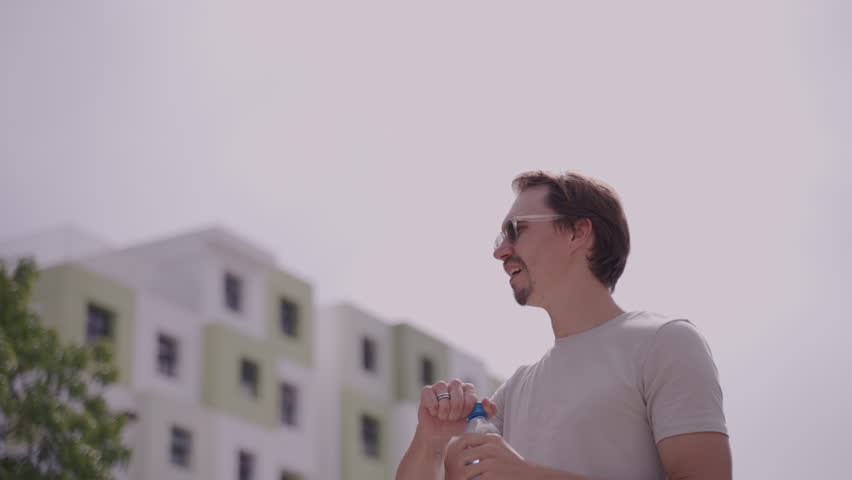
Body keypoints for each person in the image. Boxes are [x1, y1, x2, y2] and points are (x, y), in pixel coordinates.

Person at [396, 171, 731, 480]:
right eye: (500, 236)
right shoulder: (513, 393)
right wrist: (431, 442)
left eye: (517, 229)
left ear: (577, 232)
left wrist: (528, 476)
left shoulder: (666, 342)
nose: (500, 251)